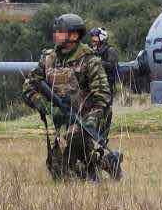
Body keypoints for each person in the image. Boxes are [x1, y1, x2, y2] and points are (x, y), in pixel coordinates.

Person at [23, 13, 113, 180]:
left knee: (75, 137)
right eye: (55, 31)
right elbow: (29, 86)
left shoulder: (90, 60)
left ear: (74, 35)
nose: (55, 35)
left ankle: (96, 164)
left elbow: (103, 95)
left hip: (88, 118)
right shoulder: (49, 58)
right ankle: (98, 163)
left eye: (60, 31)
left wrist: (91, 120)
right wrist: (44, 104)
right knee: (57, 171)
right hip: (62, 119)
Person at [90, 28, 121, 106]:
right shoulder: (92, 50)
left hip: (107, 82)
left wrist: (98, 62)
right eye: (92, 37)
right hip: (94, 82)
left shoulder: (110, 50)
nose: (93, 39)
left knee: (106, 105)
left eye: (95, 37)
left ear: (101, 37)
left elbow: (112, 66)